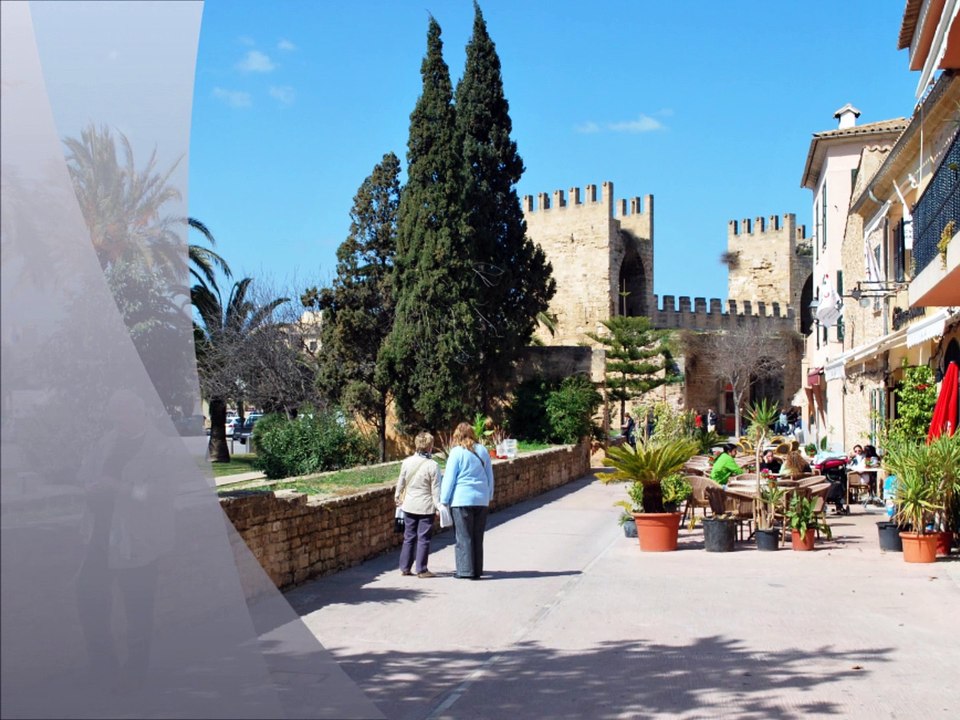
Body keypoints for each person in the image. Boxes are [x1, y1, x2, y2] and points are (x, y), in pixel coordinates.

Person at [440, 422, 495, 580]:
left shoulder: (456, 452)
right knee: (477, 536)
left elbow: (449, 478)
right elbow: (489, 475)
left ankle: (465, 570)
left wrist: (444, 500)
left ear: (457, 435)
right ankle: (477, 569)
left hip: (461, 499)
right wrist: (489, 495)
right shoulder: (482, 450)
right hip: (481, 499)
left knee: (463, 536)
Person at [395, 431, 442, 578]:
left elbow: (401, 481)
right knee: (423, 538)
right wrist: (438, 506)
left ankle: (405, 567)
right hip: (426, 506)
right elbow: (436, 490)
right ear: (430, 446)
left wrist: (397, 496)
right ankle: (421, 569)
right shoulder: (433, 465)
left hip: (409, 505)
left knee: (409, 536)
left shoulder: (407, 462)